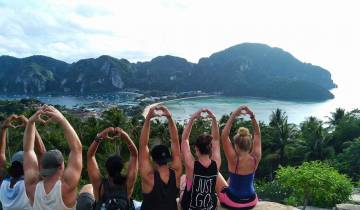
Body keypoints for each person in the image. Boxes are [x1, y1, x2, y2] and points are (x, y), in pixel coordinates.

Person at [23, 105, 83, 210]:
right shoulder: (66, 188)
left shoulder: (31, 188)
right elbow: (76, 149)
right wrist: (62, 119)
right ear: (61, 166)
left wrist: (30, 122)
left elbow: (28, 151)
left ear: (42, 166)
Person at [76, 127, 138, 210]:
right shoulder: (127, 184)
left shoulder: (100, 185)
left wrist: (100, 136)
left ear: (106, 168)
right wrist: (125, 137)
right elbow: (134, 155)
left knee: (87, 188)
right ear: (121, 168)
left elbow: (90, 156)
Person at [217, 106, 261, 210]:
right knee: (230, 179)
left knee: (215, 173)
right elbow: (257, 134)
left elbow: (224, 135)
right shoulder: (256, 157)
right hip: (251, 200)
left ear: (236, 146)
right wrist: (252, 116)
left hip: (234, 201)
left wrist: (234, 115)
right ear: (250, 144)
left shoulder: (233, 160)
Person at [139, 105, 182, 210]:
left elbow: (143, 145)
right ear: (168, 158)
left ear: (153, 160)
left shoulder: (148, 177)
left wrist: (148, 118)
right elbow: (175, 142)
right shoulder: (176, 173)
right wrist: (170, 118)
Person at [0, 114, 46, 210]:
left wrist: (3, 129)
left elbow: (1, 159)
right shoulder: (30, 186)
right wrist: (31, 125)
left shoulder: (3, 185)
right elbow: (42, 153)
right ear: (26, 166)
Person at [180, 109, 221, 210]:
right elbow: (215, 139)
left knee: (183, 183)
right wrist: (214, 119)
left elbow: (184, 139)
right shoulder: (216, 163)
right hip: (209, 207)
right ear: (210, 148)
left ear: (197, 149)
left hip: (190, 207)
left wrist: (193, 118)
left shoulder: (191, 165)